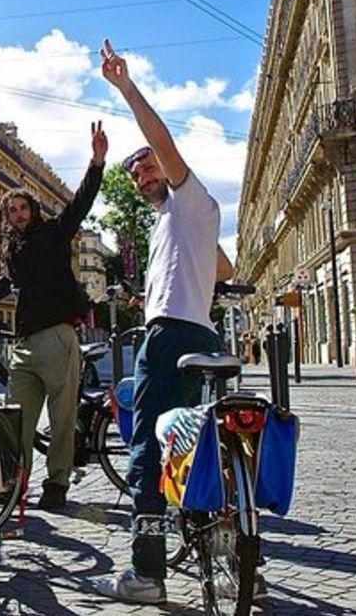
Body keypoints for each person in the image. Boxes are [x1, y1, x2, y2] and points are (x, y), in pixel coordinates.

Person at [95, 40, 235, 604]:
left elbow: (164, 142)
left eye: (146, 164)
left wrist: (126, 87)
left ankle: (146, 574)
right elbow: (224, 267)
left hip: (170, 337)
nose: (141, 173)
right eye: (134, 172)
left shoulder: (188, 197)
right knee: (205, 447)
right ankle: (231, 553)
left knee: (148, 453)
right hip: (199, 333)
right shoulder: (181, 221)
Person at [0, 121, 108, 512]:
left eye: (22, 207)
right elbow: (4, 283)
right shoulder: (13, 251)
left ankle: (57, 484)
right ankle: (15, 484)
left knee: (61, 419)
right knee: (17, 420)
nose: (17, 214)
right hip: (24, 342)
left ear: (32, 209)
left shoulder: (54, 233)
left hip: (59, 337)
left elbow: (80, 203)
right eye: (10, 210)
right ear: (6, 217)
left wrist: (96, 163)